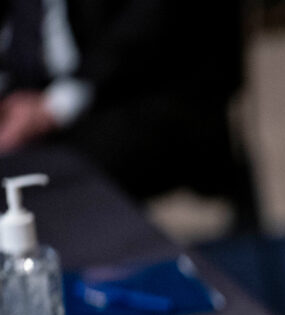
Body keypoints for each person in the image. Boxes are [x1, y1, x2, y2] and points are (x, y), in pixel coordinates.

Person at [0, 0, 254, 230]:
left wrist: (51, 108)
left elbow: (152, 26)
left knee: (56, 182)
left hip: (138, 94)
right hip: (32, 101)